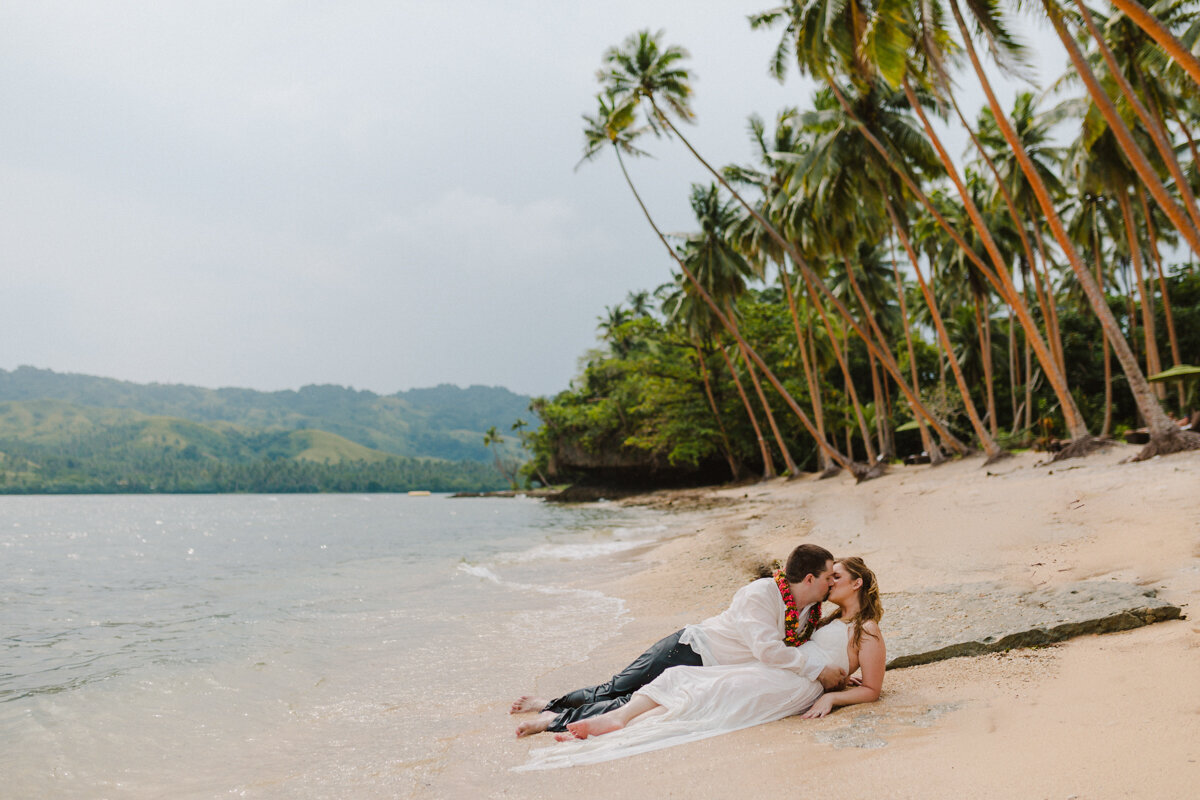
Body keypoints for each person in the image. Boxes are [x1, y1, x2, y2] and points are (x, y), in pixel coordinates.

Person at [515, 557, 884, 770]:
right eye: (827, 576)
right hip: (693, 647)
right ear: (808, 578)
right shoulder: (780, 601)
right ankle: (551, 708)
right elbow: (781, 651)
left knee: (650, 697)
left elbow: (870, 684)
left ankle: (557, 718)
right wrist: (825, 673)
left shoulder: (843, 622)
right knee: (619, 688)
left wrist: (835, 690)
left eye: (838, 577)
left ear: (857, 584)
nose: (830, 582)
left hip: (751, 672)